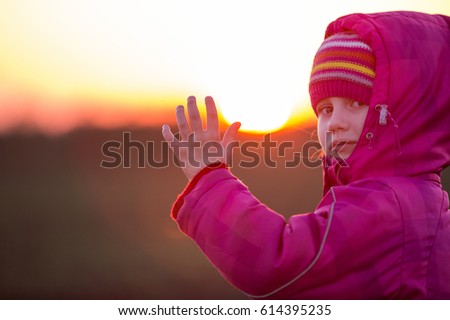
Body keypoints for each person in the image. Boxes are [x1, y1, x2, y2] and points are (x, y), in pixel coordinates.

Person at [161, 11, 450, 299]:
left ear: (404, 111)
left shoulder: (387, 205)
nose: (335, 121)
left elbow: (276, 263)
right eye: (325, 109)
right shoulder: (413, 195)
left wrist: (211, 181)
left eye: (356, 103)